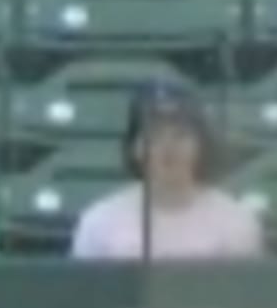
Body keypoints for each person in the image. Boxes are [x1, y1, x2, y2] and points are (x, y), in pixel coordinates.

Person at [70, 83, 264, 263]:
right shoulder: (99, 221)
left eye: (180, 135)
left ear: (201, 144)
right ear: (134, 147)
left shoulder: (235, 219)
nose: (168, 148)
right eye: (154, 136)